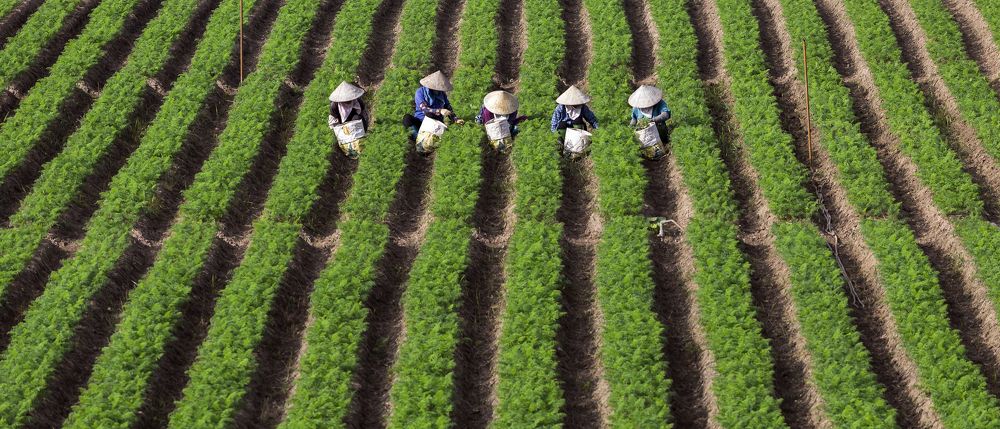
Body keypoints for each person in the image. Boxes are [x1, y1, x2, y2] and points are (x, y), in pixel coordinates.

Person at [402, 71, 464, 141]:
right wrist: (440, 110)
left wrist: (456, 119)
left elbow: (448, 108)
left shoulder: (442, 94)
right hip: (420, 121)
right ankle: (418, 139)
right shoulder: (420, 92)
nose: (439, 90)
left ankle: (429, 140)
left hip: (435, 124)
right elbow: (424, 109)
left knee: (430, 115)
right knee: (407, 118)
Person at [550, 85, 598, 157]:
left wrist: (598, 130)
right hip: (564, 130)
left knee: (577, 120)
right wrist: (555, 136)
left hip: (578, 130)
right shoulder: (560, 108)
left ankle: (579, 148)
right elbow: (554, 123)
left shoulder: (582, 107)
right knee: (561, 124)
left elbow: (592, 119)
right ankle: (566, 147)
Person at [628, 84, 671, 160]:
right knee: (646, 147)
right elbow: (634, 119)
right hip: (645, 136)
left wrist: (653, 120)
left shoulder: (659, 103)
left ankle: (662, 147)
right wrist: (629, 128)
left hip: (660, 131)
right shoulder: (636, 108)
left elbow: (665, 115)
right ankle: (648, 154)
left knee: (660, 146)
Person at [328, 81, 368, 159]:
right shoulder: (335, 105)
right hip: (342, 123)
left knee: (357, 119)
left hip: (355, 121)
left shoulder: (357, 101)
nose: (348, 101)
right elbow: (334, 120)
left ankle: (360, 144)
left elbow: (363, 113)